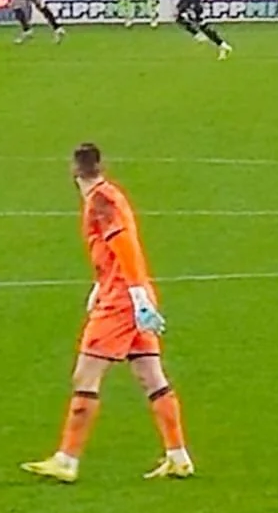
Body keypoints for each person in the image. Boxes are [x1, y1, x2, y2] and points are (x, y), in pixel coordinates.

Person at [23, 143, 192, 483]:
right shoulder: (109, 194)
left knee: (85, 376)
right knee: (151, 376)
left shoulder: (100, 202)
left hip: (121, 302)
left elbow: (125, 248)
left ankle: (66, 460)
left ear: (73, 171)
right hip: (126, 293)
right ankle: (178, 457)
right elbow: (115, 253)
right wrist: (103, 285)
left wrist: (136, 298)